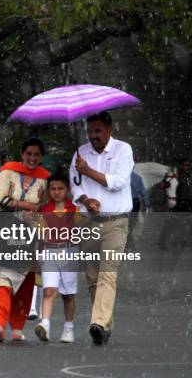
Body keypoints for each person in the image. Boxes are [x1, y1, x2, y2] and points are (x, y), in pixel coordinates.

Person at [69, 111, 134, 345]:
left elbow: (118, 183)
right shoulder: (80, 154)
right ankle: (104, 325)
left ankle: (97, 321)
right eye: (90, 131)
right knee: (93, 278)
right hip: (88, 222)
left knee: (108, 273)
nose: (93, 135)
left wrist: (88, 171)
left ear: (109, 129)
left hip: (116, 222)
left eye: (98, 131)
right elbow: (74, 186)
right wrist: (86, 200)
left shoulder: (123, 150)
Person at [0, 138, 50, 342]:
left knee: (25, 282)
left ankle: (18, 327)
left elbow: (46, 207)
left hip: (31, 234)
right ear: (22, 154)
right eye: (28, 153)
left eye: (36, 154)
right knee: (2, 277)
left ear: (41, 157)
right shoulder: (8, 172)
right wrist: (29, 206)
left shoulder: (45, 178)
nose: (32, 158)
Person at [35, 172, 80, 343]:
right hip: (49, 253)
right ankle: (44, 324)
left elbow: (81, 231)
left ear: (67, 190)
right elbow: (41, 234)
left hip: (69, 253)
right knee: (49, 290)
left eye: (60, 188)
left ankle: (69, 328)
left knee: (68, 294)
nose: (56, 192)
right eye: (53, 188)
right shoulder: (45, 210)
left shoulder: (74, 209)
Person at [128, 171, 150, 248]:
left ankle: (127, 238)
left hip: (123, 201)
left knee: (123, 220)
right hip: (135, 202)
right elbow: (143, 192)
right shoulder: (137, 177)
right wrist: (146, 204)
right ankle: (129, 238)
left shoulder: (119, 176)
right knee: (133, 221)